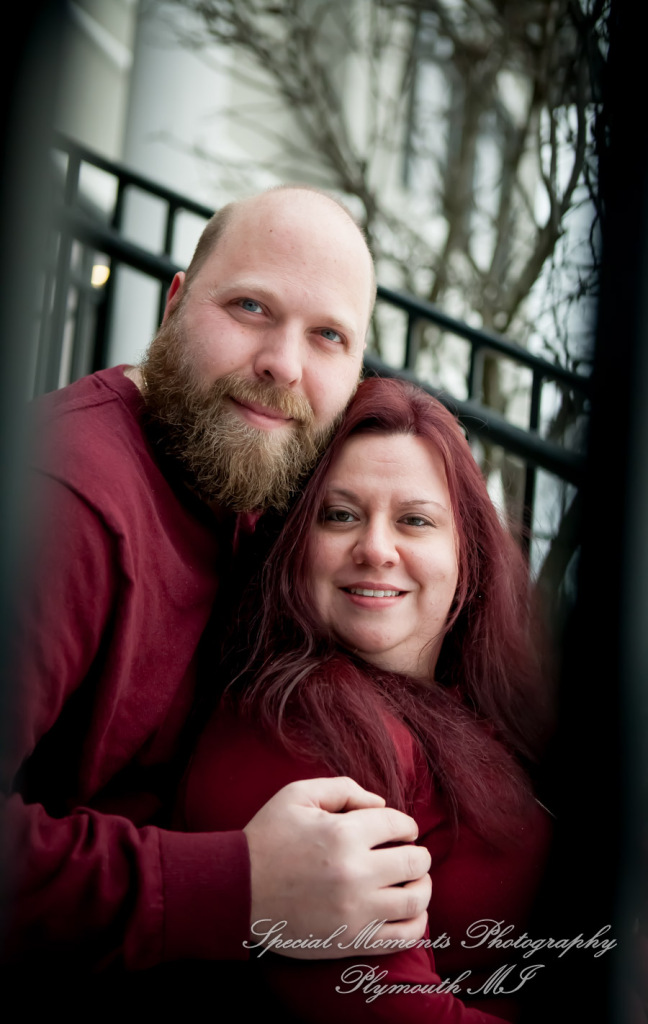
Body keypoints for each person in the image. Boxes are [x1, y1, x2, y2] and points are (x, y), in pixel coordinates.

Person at [0, 187, 432, 976]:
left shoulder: (254, 492)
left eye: (328, 335)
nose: (283, 364)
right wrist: (242, 886)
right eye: (250, 307)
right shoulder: (64, 503)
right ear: (174, 305)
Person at [177, 375, 554, 1022]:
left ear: (467, 555)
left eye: (414, 520)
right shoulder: (302, 731)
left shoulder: (477, 696)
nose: (377, 549)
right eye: (341, 515)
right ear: (296, 543)